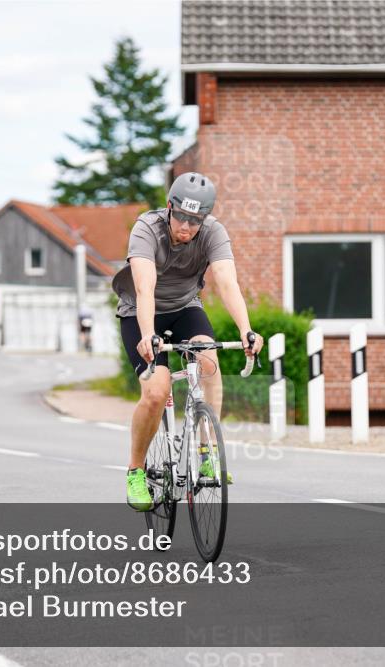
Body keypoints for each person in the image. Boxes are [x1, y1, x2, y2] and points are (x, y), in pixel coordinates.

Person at [111, 172, 264, 511]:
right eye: (181, 216)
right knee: (156, 390)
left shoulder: (213, 233)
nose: (187, 226)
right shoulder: (147, 229)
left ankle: (207, 453)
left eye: (196, 220)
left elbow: (226, 281)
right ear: (169, 208)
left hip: (185, 308)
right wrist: (148, 333)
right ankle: (135, 470)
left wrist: (246, 329)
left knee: (208, 362)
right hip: (141, 312)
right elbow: (144, 288)